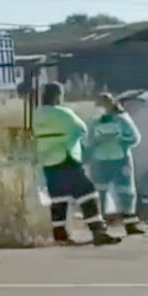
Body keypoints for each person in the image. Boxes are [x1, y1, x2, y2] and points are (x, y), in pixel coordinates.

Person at [32, 82, 122, 246]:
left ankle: (60, 235)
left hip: (48, 161)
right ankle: (98, 231)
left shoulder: (37, 114)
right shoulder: (64, 113)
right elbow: (81, 129)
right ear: (58, 96)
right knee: (87, 192)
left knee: (59, 198)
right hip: (67, 158)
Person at [87, 92, 144, 236]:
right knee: (100, 193)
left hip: (120, 160)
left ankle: (130, 225)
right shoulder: (94, 121)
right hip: (100, 162)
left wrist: (118, 141)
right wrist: (95, 145)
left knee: (126, 192)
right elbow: (88, 141)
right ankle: (102, 226)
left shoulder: (122, 119)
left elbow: (135, 137)